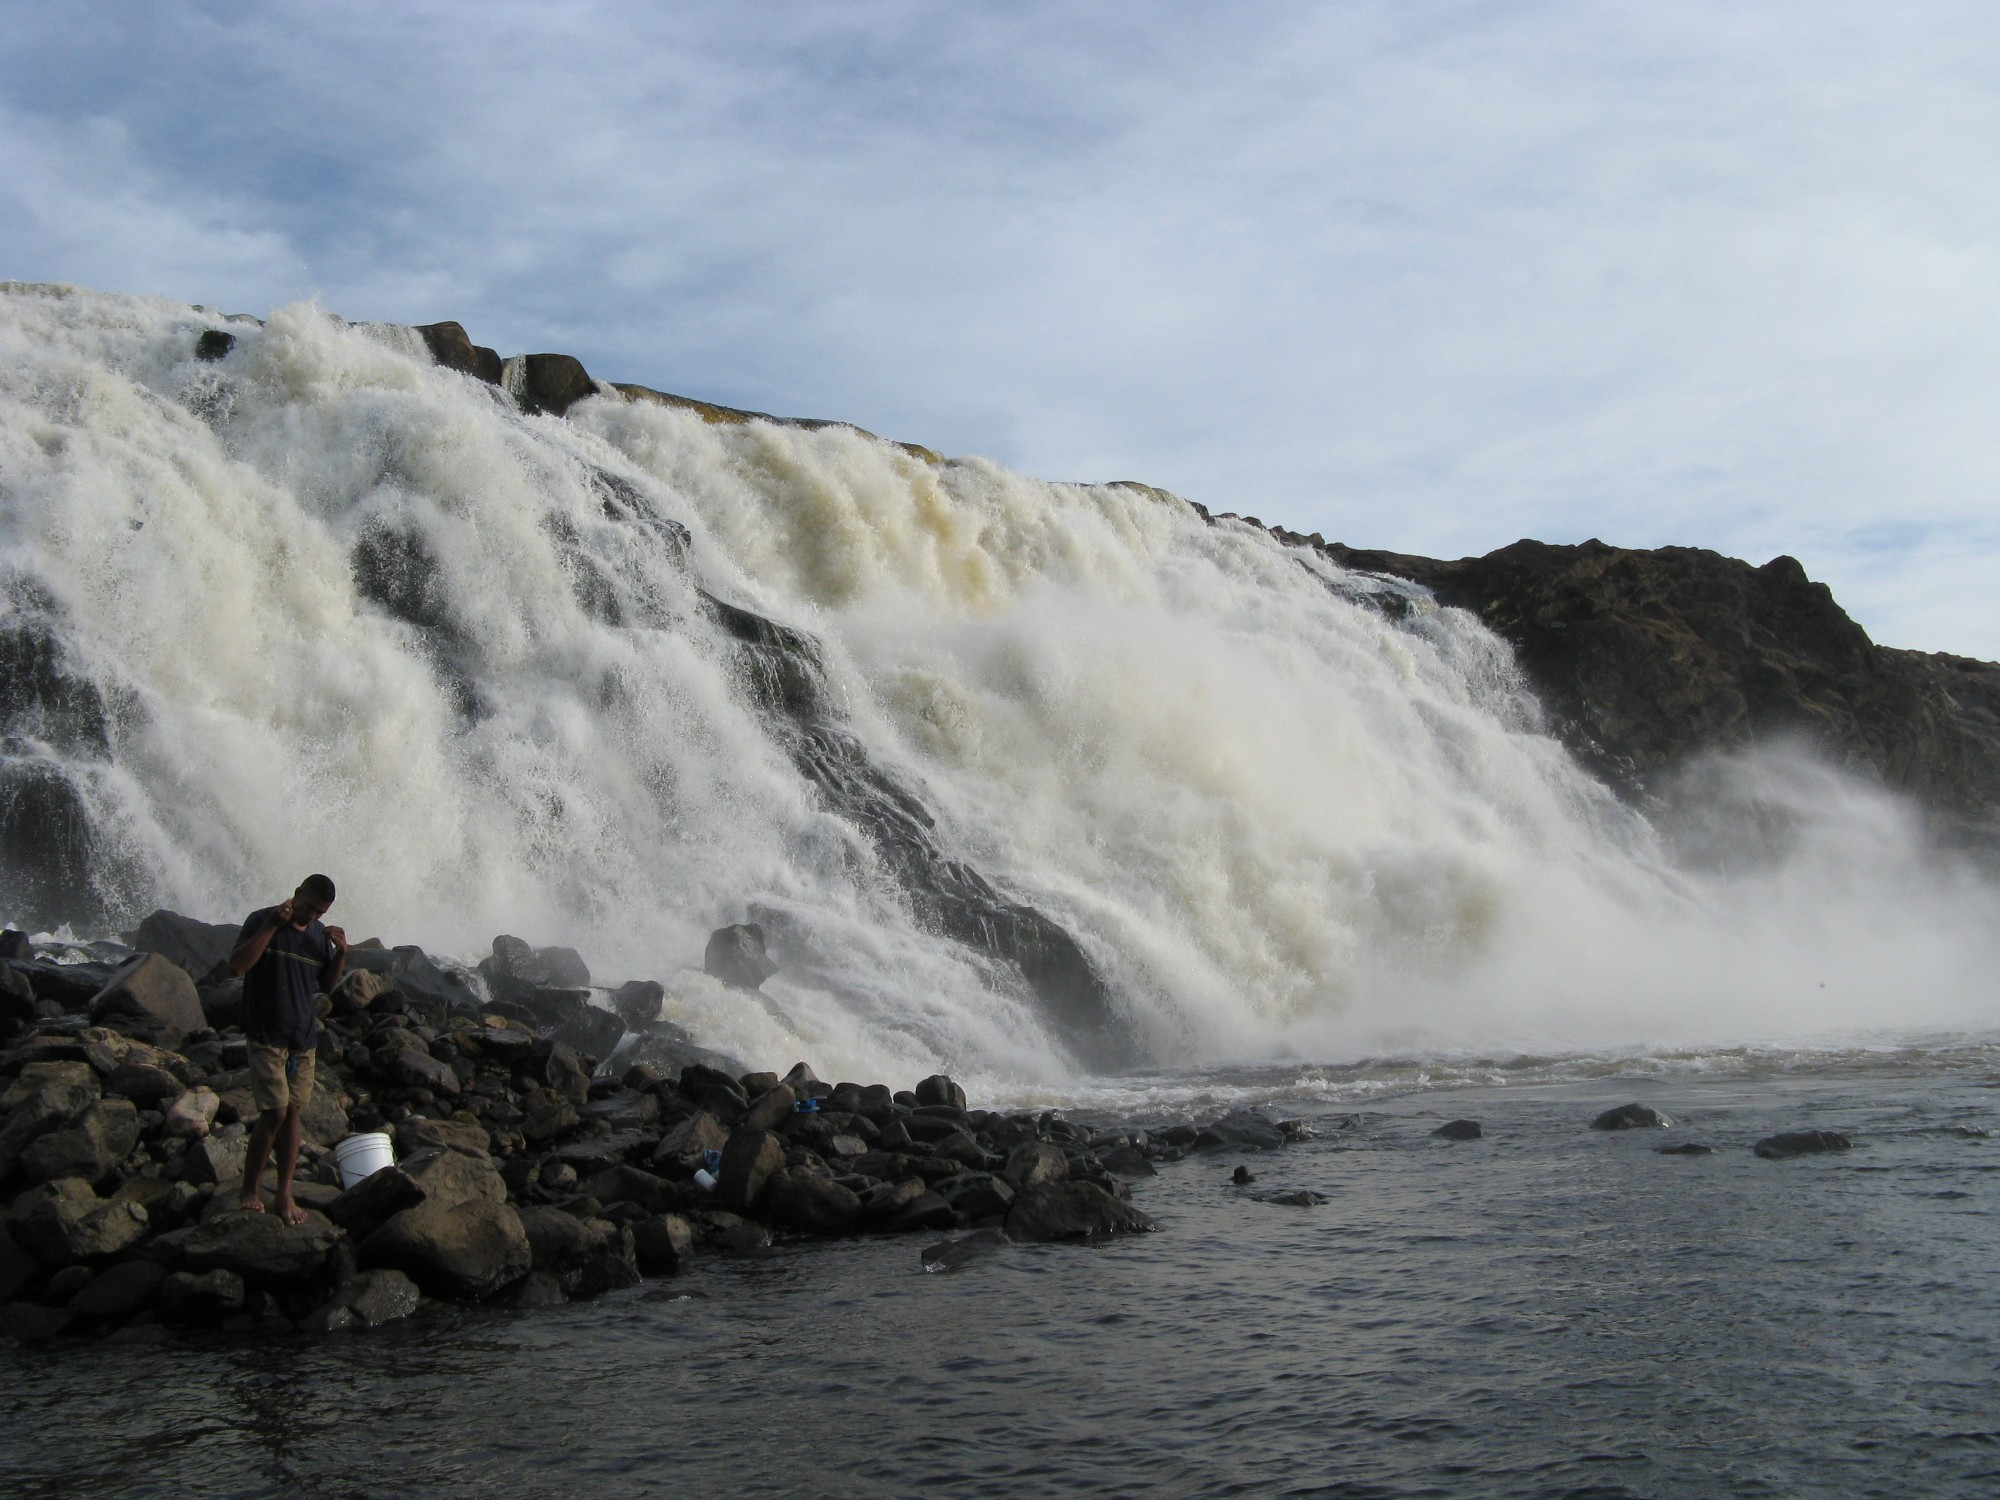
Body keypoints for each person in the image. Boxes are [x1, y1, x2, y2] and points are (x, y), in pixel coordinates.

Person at [227, 873, 347, 1225]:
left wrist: (341, 954)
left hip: (302, 1038)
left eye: (320, 912)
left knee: (293, 1113)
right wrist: (270, 924)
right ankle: (249, 1190)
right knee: (274, 1113)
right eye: (309, 907)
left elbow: (325, 986)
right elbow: (238, 965)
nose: (312, 916)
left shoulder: (316, 937)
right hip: (266, 1034)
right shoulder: (260, 920)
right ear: (296, 894)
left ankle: (284, 1193)